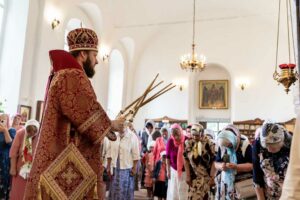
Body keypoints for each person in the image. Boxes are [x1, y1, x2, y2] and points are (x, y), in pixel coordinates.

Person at [24, 28, 125, 199]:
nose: (97, 61)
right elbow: (82, 110)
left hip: (59, 158)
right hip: (64, 160)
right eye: (95, 55)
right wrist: (111, 125)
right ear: (83, 54)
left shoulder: (63, 74)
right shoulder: (72, 75)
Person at [253, 123, 292, 200]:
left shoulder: (292, 143)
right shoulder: (258, 143)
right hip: (269, 193)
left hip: (289, 193)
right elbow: (256, 175)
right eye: (266, 146)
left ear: (282, 141)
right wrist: (260, 198)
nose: (269, 150)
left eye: (273, 147)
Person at [214, 124, 253, 200]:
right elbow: (216, 163)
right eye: (226, 146)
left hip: (242, 185)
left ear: (233, 139)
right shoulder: (222, 145)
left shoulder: (245, 145)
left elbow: (252, 165)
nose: (228, 148)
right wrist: (221, 166)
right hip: (225, 184)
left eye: (230, 145)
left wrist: (236, 167)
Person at [107, 123, 140, 200]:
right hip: (114, 167)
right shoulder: (114, 135)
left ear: (126, 125)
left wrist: (134, 168)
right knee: (114, 190)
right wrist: (108, 166)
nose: (120, 127)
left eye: (122, 125)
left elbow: (136, 154)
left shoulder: (132, 136)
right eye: (119, 125)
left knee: (124, 190)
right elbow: (109, 151)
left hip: (126, 169)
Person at [9, 119, 40, 200]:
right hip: (20, 168)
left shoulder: (42, 134)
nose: (31, 135)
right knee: (18, 192)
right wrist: (13, 168)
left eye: (33, 133)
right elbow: (13, 152)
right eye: (29, 133)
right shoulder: (20, 133)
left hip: (35, 170)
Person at [184, 124, 215, 200]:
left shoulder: (209, 143)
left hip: (206, 177)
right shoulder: (189, 143)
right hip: (194, 177)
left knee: (205, 197)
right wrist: (187, 175)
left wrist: (212, 177)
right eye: (193, 135)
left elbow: (215, 160)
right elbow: (186, 159)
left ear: (202, 133)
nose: (195, 137)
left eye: (197, 135)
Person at [166, 123, 189, 200]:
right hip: (173, 171)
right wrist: (168, 171)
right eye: (174, 136)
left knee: (183, 193)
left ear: (181, 132)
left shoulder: (187, 140)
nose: (176, 138)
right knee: (174, 192)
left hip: (185, 172)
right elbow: (168, 157)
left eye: (178, 135)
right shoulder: (170, 141)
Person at [0, 113, 16, 200]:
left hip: (4, 160)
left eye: (3, 120)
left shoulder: (11, 130)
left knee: (4, 180)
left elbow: (11, 143)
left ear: (7, 120)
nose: (1, 122)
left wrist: (5, 131)